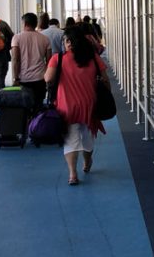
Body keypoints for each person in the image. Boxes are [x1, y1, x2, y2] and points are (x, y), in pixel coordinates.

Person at [44, 25, 110, 185]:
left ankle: (73, 174)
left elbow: (48, 79)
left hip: (67, 106)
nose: (66, 43)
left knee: (70, 140)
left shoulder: (57, 59)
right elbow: (106, 80)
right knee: (87, 137)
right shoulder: (94, 58)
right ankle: (87, 163)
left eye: (67, 40)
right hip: (89, 105)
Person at [10, 12, 51, 112]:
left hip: (24, 79)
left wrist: (16, 78)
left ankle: (27, 126)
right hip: (40, 78)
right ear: (36, 24)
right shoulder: (45, 39)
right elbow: (49, 60)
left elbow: (16, 59)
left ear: (24, 23)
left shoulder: (17, 38)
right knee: (38, 106)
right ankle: (37, 125)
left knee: (25, 108)